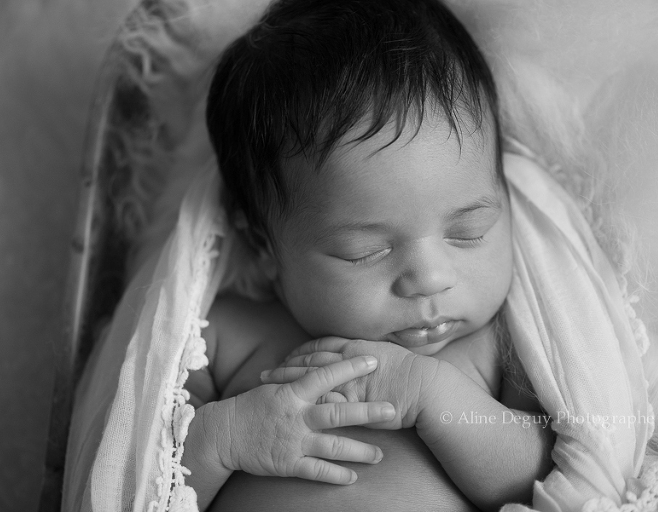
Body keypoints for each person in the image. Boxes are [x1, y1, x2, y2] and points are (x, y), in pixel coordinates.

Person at [180, 0, 555, 510]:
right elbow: (137, 474)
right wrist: (220, 441)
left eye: (468, 232)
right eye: (365, 251)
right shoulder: (224, 333)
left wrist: (430, 394)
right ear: (264, 247)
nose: (430, 278)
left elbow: (539, 478)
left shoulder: (497, 344)